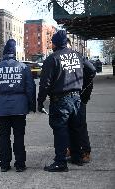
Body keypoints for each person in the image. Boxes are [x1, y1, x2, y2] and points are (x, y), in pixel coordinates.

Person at [37, 30, 96, 172]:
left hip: (60, 100)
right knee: (75, 129)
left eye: (52, 42)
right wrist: (81, 86)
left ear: (55, 43)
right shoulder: (78, 56)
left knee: (60, 130)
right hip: (76, 98)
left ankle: (60, 162)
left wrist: (40, 102)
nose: (51, 45)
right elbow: (92, 70)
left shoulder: (52, 58)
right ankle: (77, 157)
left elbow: (44, 84)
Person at [0, 39, 36, 172]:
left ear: (4, 53)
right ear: (14, 53)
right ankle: (20, 164)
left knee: (4, 135)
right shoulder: (23, 67)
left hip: (2, 107)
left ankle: (4, 164)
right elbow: (30, 88)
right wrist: (32, 105)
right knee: (19, 136)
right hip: (19, 106)